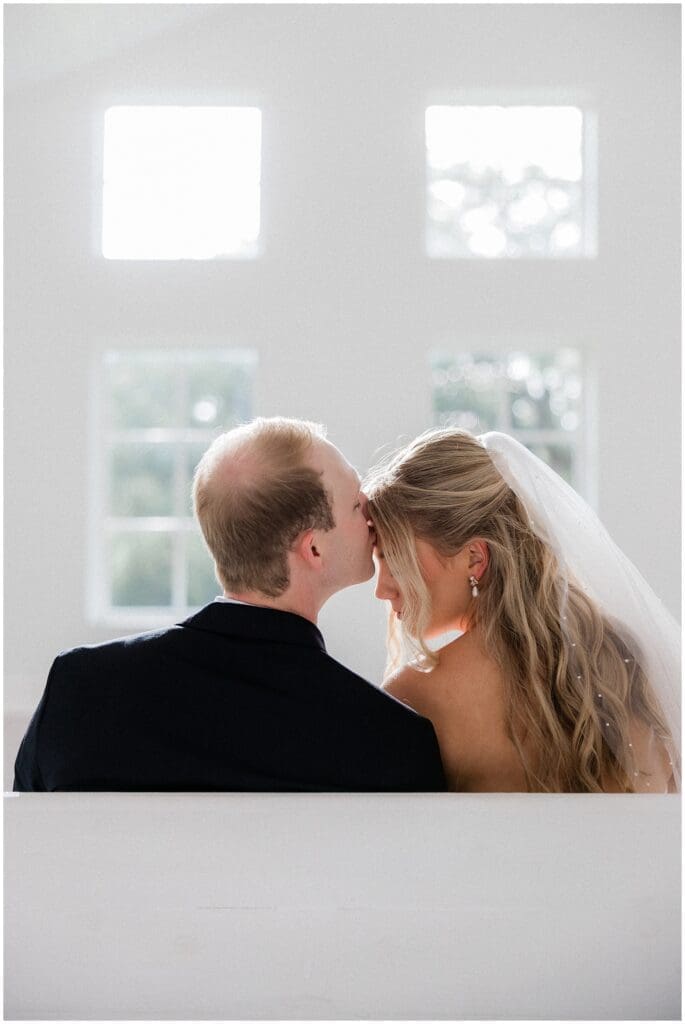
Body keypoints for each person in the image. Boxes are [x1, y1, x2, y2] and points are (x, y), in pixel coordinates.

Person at [14, 417, 446, 792]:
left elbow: (22, 848)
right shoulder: (392, 743)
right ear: (313, 550)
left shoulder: (79, 692)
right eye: (356, 504)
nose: (372, 513)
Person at [364, 428, 681, 794]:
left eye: (394, 559)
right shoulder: (619, 657)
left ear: (475, 558)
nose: (381, 588)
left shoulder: (414, 698)